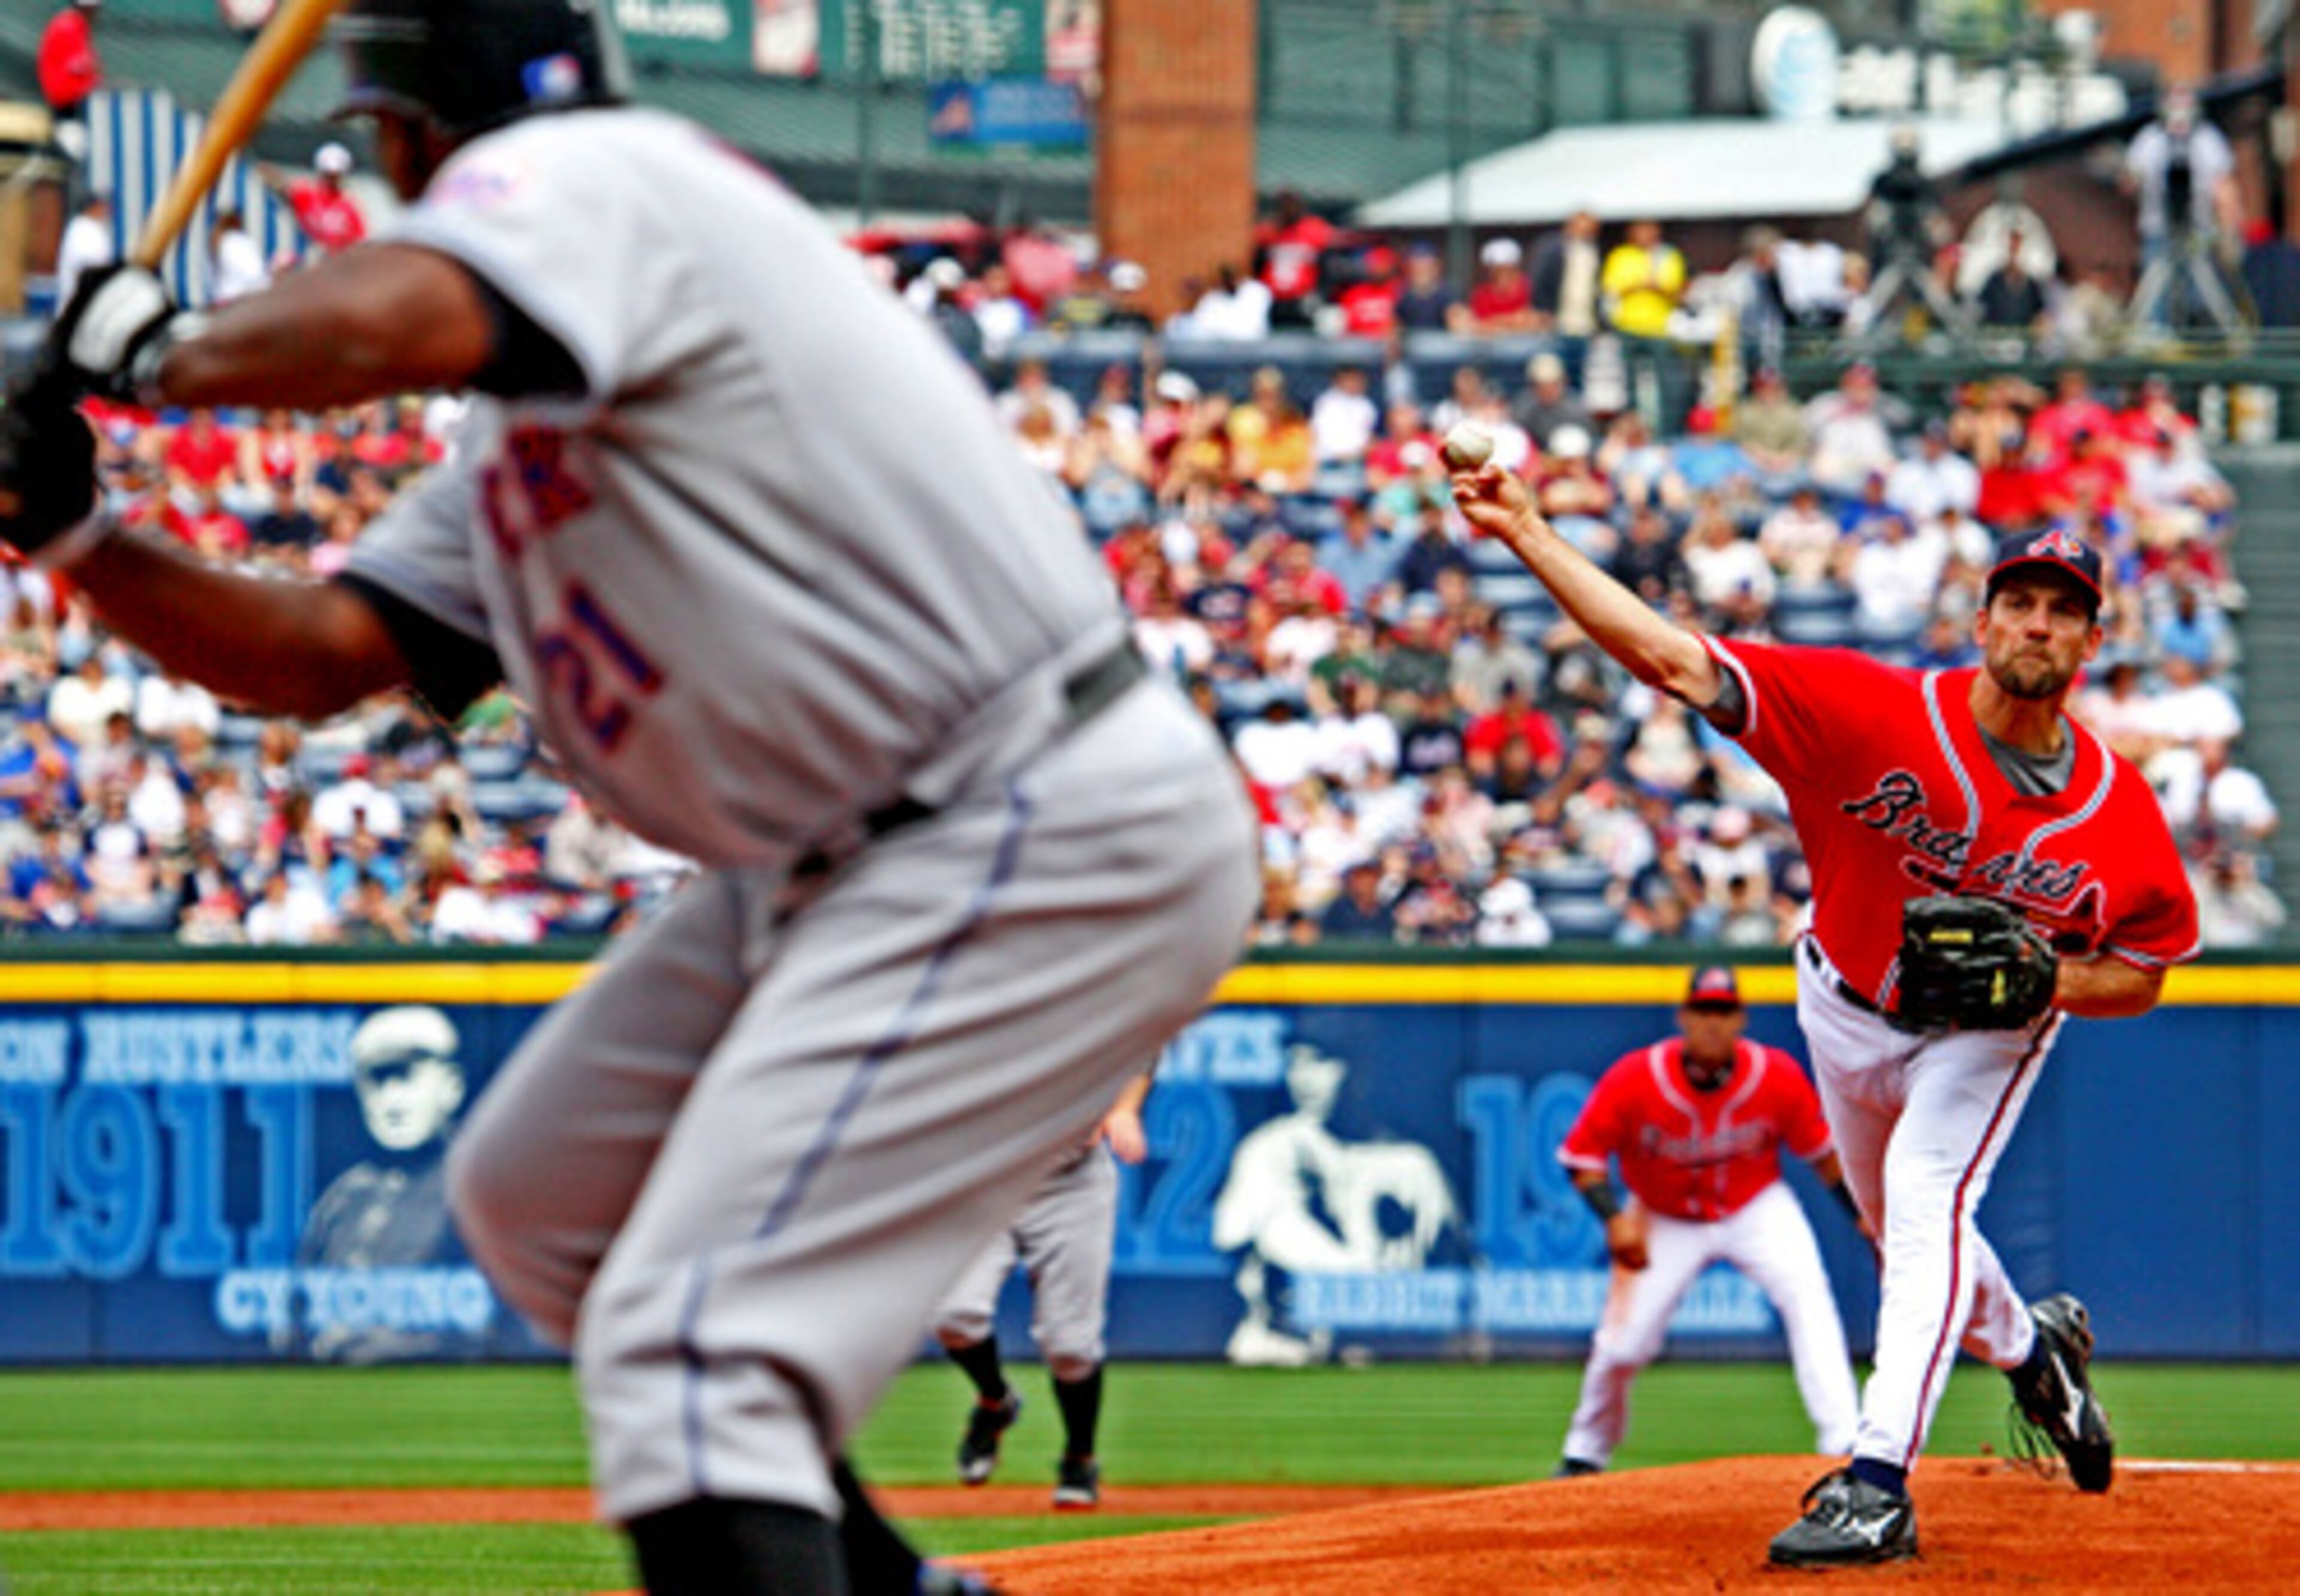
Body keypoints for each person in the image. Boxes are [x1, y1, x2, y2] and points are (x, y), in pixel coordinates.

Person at [0, 2, 1257, 1591]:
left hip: (1028, 810)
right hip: (846, 860)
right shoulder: (538, 442)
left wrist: (170, 356)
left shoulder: (610, 176)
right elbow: (322, 654)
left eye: (388, 151)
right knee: (544, 1199)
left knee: (694, 1361)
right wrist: (77, 542)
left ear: (414, 140)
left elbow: (405, 312)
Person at [1449, 456, 2197, 1567]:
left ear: (2094, 644)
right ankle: (2033, 1354)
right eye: (2023, 602)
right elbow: (1667, 656)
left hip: (1986, 1035)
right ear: (1983, 618)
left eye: (2066, 613)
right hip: (1840, 1005)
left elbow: (2143, 971)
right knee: (1902, 1228)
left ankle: (1876, 1479)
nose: (2040, 624)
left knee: (1923, 1201)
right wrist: (1525, 533)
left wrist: (2046, 981)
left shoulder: (2122, 816)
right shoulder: (1871, 710)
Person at [1553, 965, 1860, 1477]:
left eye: (1723, 1011)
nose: (1713, 1023)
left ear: (1740, 1017)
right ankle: (1585, 1452)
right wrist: (1613, 1218)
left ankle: (1845, 1440)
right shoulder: (1636, 1076)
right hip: (1662, 1215)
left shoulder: (1776, 1073)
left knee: (1808, 1296)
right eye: (1703, 1011)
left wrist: (1862, 1218)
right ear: (1683, 1017)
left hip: (1755, 1207)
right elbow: (1581, 1156)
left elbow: (1823, 1155)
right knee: (1623, 1345)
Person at [934, 1071, 1153, 1510]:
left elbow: (1140, 1044)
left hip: (1071, 1185)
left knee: (1071, 1346)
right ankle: (995, 1401)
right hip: (985, 1181)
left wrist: (1125, 1107)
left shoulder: (1080, 1001)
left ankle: (1079, 1458)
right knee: (953, 1315)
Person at [266, 141, 368, 256]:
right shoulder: (305, 194)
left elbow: (359, 245)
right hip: (304, 259)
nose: (332, 179)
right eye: (328, 174)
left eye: (336, 175)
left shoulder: (350, 208)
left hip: (334, 265)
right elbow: (279, 187)